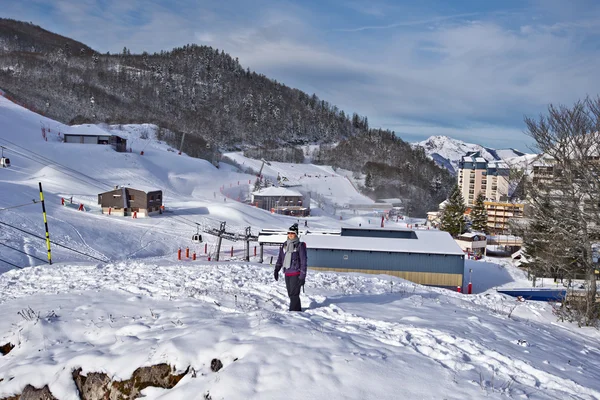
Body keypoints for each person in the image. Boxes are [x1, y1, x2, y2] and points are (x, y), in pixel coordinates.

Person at [274, 223, 307, 311]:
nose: (290, 235)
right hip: (287, 273)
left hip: (296, 273)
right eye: (289, 233)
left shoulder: (300, 246)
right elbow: (280, 258)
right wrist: (276, 269)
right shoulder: (285, 245)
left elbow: (303, 261)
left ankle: (292, 313)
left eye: (292, 233)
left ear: (296, 234)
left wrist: (302, 276)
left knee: (294, 294)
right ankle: (298, 311)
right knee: (291, 294)